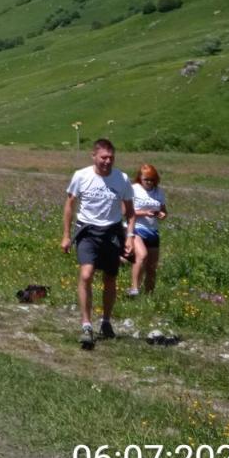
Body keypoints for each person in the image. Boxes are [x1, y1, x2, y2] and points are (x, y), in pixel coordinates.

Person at [61, 138, 135, 350]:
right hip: (87, 230)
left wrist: (129, 236)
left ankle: (106, 321)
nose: (107, 162)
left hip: (112, 232)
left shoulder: (122, 179)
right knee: (86, 274)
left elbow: (130, 213)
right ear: (94, 156)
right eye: (103, 157)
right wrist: (66, 235)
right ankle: (86, 325)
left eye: (111, 158)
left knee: (110, 279)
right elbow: (69, 205)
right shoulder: (81, 176)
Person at [128, 164, 167, 296]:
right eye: (146, 179)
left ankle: (149, 295)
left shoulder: (159, 192)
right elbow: (126, 211)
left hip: (153, 230)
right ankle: (134, 288)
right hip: (137, 228)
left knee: (152, 266)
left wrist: (162, 214)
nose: (149, 182)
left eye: (152, 179)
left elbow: (164, 210)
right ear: (140, 178)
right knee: (142, 255)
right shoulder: (134, 189)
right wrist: (144, 212)